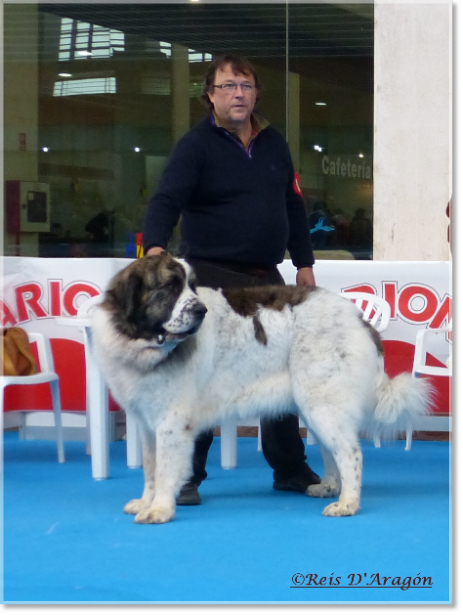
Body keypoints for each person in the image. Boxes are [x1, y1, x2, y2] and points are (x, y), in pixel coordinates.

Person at [142, 54, 320, 505]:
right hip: (212, 277)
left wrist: (303, 261)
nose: (237, 93)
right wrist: (155, 249)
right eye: (227, 86)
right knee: (200, 374)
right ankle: (185, 476)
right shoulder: (195, 145)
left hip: (269, 276)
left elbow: (293, 206)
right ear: (210, 95)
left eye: (245, 85)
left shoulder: (274, 142)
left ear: (256, 93)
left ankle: (290, 468)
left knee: (280, 367)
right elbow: (166, 199)